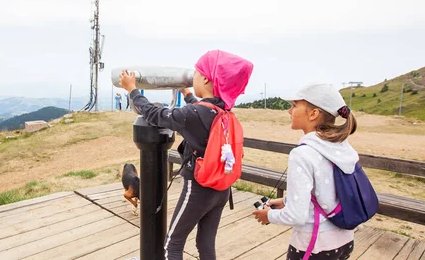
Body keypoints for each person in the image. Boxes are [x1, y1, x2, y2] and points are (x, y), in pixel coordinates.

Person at [119, 50, 253, 260]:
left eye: (197, 74)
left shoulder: (197, 114)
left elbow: (156, 115)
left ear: (207, 78)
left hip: (198, 189)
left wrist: (133, 91)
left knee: (172, 245)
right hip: (222, 189)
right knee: (205, 244)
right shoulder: (224, 110)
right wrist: (188, 94)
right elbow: (199, 114)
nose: (193, 77)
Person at [252, 83, 359, 260]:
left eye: (294, 105)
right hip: (345, 241)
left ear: (313, 113)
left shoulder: (302, 154)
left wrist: (268, 216)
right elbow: (327, 194)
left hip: (313, 246)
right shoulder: (342, 147)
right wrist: (286, 201)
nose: (289, 111)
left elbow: (297, 216)